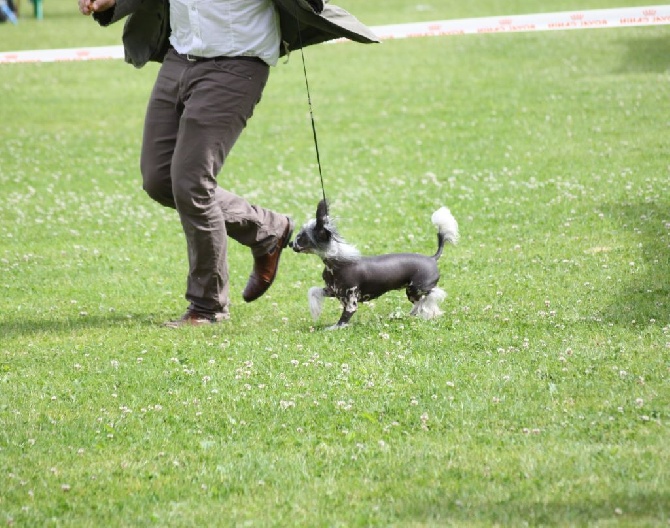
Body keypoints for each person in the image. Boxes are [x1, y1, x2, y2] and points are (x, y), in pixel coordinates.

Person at [77, 0, 378, 327]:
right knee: (160, 179)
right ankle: (267, 230)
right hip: (181, 55)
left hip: (237, 62)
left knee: (191, 184)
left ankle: (206, 307)